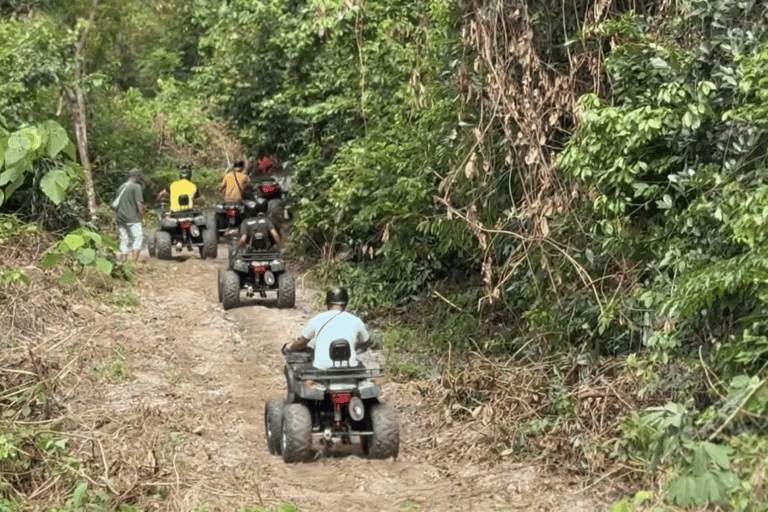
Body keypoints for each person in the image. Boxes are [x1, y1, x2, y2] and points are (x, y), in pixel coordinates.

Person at [283, 288, 371, 370]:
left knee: (298, 371)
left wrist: (289, 347)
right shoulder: (356, 320)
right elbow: (366, 343)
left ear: (328, 304)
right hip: (350, 368)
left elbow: (301, 343)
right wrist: (354, 347)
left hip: (322, 369)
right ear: (345, 304)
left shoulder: (317, 319)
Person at [113, 170, 145, 263]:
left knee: (124, 238)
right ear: (136, 178)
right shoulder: (136, 187)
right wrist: (142, 217)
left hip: (119, 217)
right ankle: (133, 261)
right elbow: (139, 203)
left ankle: (122, 261)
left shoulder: (121, 187)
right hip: (131, 217)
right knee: (138, 237)